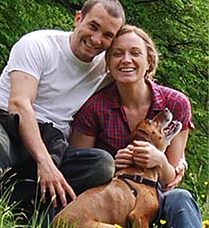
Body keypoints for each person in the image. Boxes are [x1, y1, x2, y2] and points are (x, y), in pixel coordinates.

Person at [0, 0, 125, 221]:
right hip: (7, 124)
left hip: (54, 142)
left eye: (107, 36)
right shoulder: (38, 44)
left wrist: (175, 162)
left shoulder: (105, 69)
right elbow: (19, 104)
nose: (96, 39)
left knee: (102, 165)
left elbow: (140, 86)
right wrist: (44, 162)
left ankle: (15, 204)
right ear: (78, 18)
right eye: (93, 26)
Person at [70, 24, 202, 228]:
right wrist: (113, 166)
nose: (126, 60)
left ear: (149, 61)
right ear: (108, 63)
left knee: (181, 198)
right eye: (117, 54)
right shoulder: (95, 107)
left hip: (156, 198)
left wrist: (159, 159)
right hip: (113, 206)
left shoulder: (175, 103)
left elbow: (170, 181)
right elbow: (78, 173)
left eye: (135, 53)